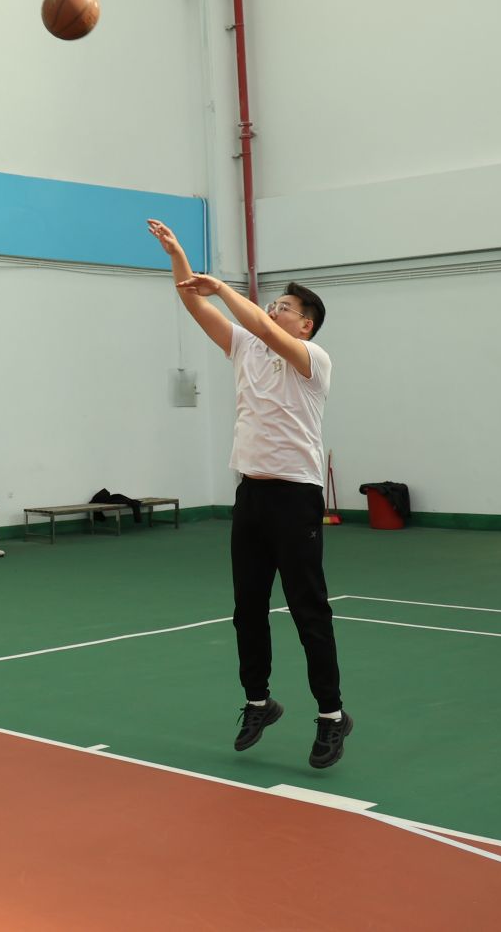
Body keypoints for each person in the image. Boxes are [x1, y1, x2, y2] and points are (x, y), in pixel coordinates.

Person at [148, 218, 352, 770]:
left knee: (308, 608)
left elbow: (258, 324)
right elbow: (194, 303)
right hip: (252, 497)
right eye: (274, 305)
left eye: (284, 307)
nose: (274, 310)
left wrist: (222, 286)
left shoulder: (313, 360)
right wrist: (178, 256)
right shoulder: (245, 348)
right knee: (247, 608)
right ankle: (259, 702)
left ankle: (332, 715)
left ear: (305, 325)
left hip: (296, 497)